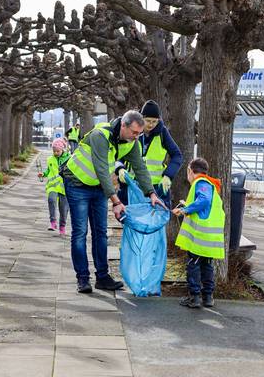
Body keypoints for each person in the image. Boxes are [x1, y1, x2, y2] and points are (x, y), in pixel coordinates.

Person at [61, 110, 165, 294]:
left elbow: (140, 168)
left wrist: (152, 194)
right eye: (134, 132)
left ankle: (102, 277)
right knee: (80, 232)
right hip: (77, 183)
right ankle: (83, 279)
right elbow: (102, 170)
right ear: (123, 125)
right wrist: (116, 201)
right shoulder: (100, 135)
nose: (136, 137)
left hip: (98, 187)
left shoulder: (132, 143)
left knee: (101, 232)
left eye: (139, 134)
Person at [172, 158, 225, 308]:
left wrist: (184, 210)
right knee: (207, 266)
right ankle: (208, 297)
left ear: (190, 171)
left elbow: (204, 201)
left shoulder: (201, 183)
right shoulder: (210, 185)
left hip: (200, 236)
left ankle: (194, 297)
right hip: (210, 237)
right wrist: (186, 206)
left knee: (193, 265)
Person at [116, 100, 182, 208]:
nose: (151, 124)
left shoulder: (162, 133)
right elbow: (118, 154)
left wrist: (168, 176)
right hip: (132, 185)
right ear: (141, 118)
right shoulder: (132, 131)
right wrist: (120, 168)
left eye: (154, 121)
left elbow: (177, 155)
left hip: (156, 187)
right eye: (148, 121)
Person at [38, 138, 71, 235]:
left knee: (63, 209)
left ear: (63, 149)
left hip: (64, 187)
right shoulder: (50, 159)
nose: (56, 153)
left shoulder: (69, 159)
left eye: (58, 151)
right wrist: (43, 174)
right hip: (52, 186)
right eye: (54, 151)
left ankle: (62, 226)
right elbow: (48, 171)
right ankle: (53, 222)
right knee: (51, 200)